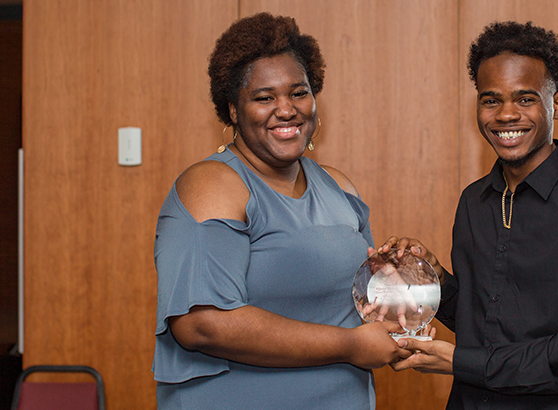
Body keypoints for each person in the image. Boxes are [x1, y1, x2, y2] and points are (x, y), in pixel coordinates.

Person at [152, 13, 411, 409]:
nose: (286, 109)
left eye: (299, 92)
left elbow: (361, 306)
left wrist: (392, 285)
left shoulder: (339, 187)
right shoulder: (212, 185)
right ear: (233, 110)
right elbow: (201, 324)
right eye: (264, 97)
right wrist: (350, 345)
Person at [387, 21, 558, 409]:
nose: (506, 115)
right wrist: (436, 280)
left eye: (525, 99)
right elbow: (484, 317)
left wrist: (463, 362)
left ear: (556, 103)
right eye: (491, 100)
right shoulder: (474, 201)